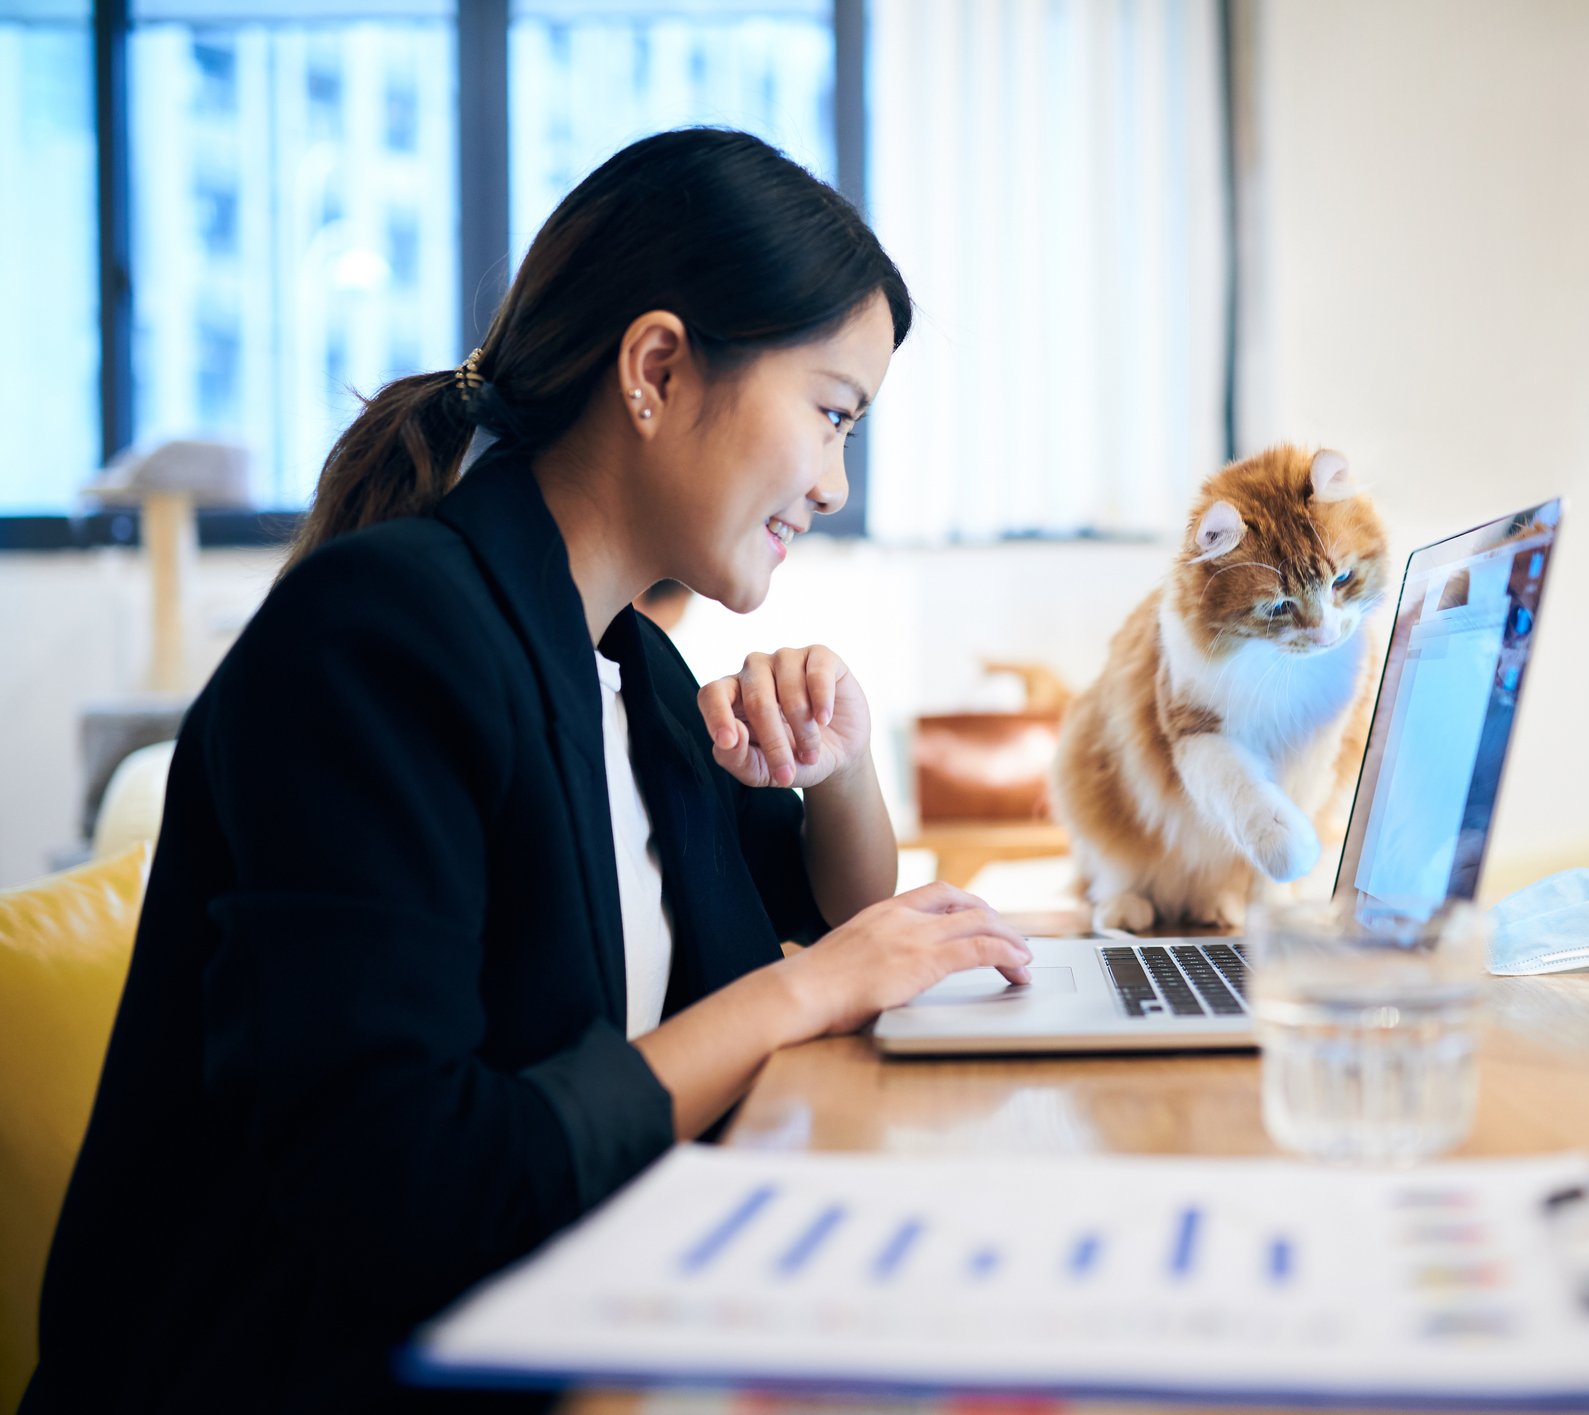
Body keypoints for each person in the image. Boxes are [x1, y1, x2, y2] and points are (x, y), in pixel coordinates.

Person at [26, 129, 1032, 1414]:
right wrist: (804, 996)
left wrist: (836, 765)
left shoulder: (627, 661)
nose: (836, 482)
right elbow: (413, 1186)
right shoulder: (381, 634)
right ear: (658, 367)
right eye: (831, 413)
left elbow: (832, 905)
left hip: (579, 1314)